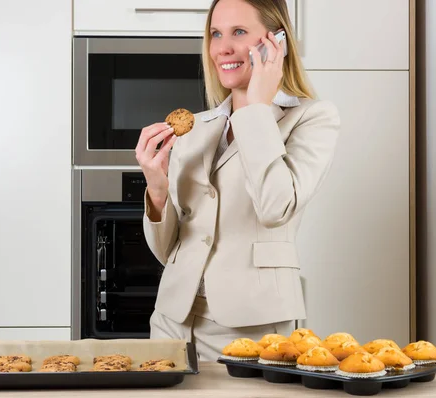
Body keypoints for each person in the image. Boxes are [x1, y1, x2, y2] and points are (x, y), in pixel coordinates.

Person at [136, 0, 340, 361]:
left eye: (239, 32)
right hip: (171, 321)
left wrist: (256, 110)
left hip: (254, 326)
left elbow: (276, 208)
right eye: (216, 34)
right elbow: (169, 252)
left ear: (276, 41)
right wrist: (157, 190)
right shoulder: (196, 129)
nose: (223, 48)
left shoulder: (312, 119)